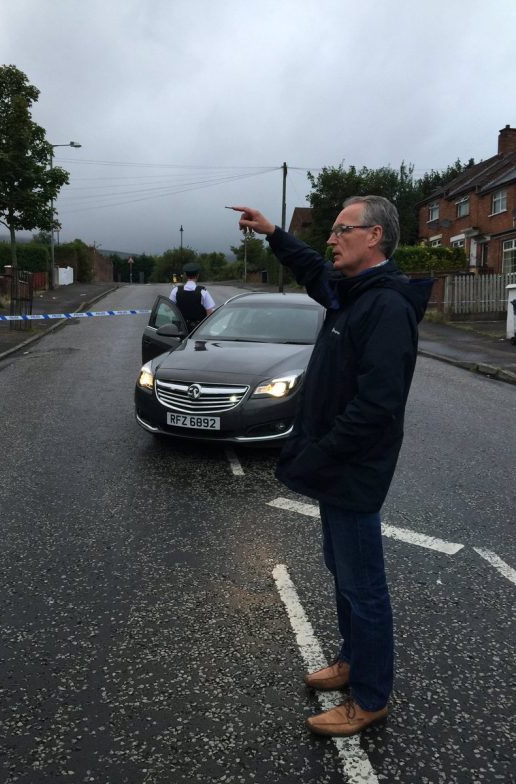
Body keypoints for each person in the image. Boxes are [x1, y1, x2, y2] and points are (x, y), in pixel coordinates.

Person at [234, 197, 433, 738]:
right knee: (344, 574)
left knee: (364, 586)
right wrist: (274, 233)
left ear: (373, 237)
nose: (331, 238)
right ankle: (350, 661)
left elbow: (378, 406)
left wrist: (318, 454)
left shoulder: (386, 307)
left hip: (352, 472)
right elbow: (312, 268)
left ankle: (370, 697)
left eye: (342, 230)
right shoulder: (353, 291)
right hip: (335, 469)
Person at [169, 261, 215, 331]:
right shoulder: (203, 292)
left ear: (186, 275)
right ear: (197, 275)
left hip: (180, 331)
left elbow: (168, 308)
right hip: (198, 331)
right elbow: (210, 313)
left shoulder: (176, 291)